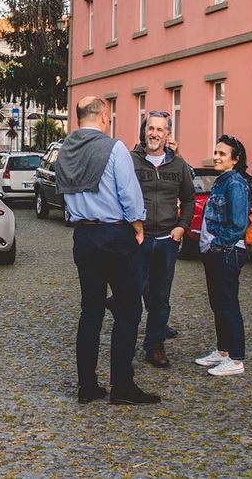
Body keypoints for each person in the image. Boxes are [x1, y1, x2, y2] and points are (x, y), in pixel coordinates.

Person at [55, 96, 159, 406]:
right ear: (103, 117)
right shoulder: (114, 148)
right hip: (114, 235)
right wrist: (138, 226)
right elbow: (129, 194)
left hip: (84, 235)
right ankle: (122, 385)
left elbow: (62, 192)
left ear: (78, 118)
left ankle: (87, 386)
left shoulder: (65, 151)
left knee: (91, 311)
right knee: (128, 309)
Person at [131, 111, 196, 368]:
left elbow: (189, 199)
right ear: (144, 131)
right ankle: (125, 342)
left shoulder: (178, 165)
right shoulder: (131, 161)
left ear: (168, 134)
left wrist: (182, 227)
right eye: (151, 128)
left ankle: (154, 346)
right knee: (131, 294)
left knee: (160, 297)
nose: (154, 133)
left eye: (160, 129)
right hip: (138, 239)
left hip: (167, 240)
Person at [194, 134, 250, 377]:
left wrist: (217, 245)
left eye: (222, 154)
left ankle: (236, 359)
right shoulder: (221, 180)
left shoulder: (235, 183)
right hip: (215, 251)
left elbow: (238, 224)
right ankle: (223, 351)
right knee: (218, 304)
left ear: (235, 160)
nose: (216, 157)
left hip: (227, 251)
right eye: (216, 152)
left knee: (228, 305)